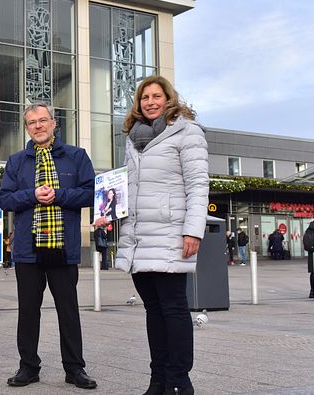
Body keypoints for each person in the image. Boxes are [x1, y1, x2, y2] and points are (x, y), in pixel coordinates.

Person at [97, 75, 209, 395]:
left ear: (168, 99)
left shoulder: (187, 132)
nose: (150, 102)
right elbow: (126, 188)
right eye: (144, 97)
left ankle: (178, 380)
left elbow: (198, 185)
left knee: (173, 308)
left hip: (172, 234)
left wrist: (193, 231)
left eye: (156, 96)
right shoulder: (133, 139)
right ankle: (157, 379)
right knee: (153, 310)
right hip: (139, 237)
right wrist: (108, 214)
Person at [0, 103, 97, 390]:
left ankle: (75, 369)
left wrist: (59, 195)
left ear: (54, 123)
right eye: (32, 122)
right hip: (28, 249)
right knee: (28, 310)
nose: (38, 126)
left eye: (43, 120)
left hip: (63, 247)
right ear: (27, 128)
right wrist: (32, 195)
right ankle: (28, 367)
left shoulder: (76, 156)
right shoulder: (17, 161)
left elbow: (91, 194)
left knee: (68, 310)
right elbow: (5, 199)